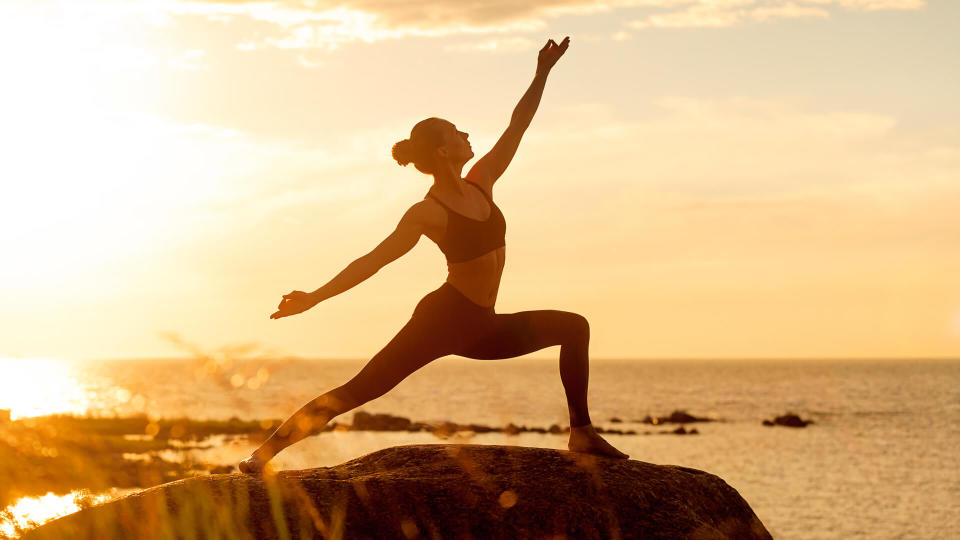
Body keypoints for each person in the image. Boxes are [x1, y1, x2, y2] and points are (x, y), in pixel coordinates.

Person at [240, 36, 628, 474]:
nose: (466, 134)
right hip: (443, 320)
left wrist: (542, 73)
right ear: (443, 150)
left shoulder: (482, 181)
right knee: (358, 391)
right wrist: (313, 297)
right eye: (456, 131)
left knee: (574, 327)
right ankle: (260, 457)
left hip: (484, 325)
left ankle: (581, 431)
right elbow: (373, 260)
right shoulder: (428, 212)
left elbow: (518, 124)